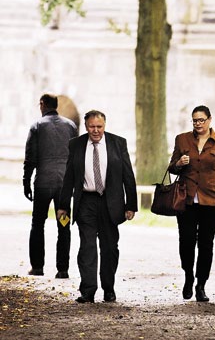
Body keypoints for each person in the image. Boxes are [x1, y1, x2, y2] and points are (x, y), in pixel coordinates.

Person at [57, 110, 137, 304]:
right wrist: (63, 205)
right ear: (86, 126)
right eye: (92, 126)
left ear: (105, 125)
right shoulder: (76, 144)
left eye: (99, 127)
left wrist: (131, 205)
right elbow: (68, 177)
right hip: (86, 202)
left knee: (110, 248)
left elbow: (128, 175)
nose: (95, 130)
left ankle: (108, 288)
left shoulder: (118, 143)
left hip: (111, 202)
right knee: (87, 246)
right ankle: (88, 290)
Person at [168, 104, 215, 303]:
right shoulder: (182, 139)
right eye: (194, 120)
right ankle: (188, 276)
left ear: (209, 120)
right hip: (186, 200)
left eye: (201, 120)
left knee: (206, 244)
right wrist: (178, 164)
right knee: (187, 241)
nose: (198, 124)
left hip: (212, 200)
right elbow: (171, 168)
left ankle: (201, 284)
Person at [23, 93, 78, 278]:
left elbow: (30, 157)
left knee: (38, 223)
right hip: (64, 185)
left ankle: (37, 267)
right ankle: (62, 270)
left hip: (43, 184)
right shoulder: (71, 126)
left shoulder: (37, 126)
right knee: (64, 224)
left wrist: (26, 182)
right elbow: (76, 157)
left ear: (42, 104)